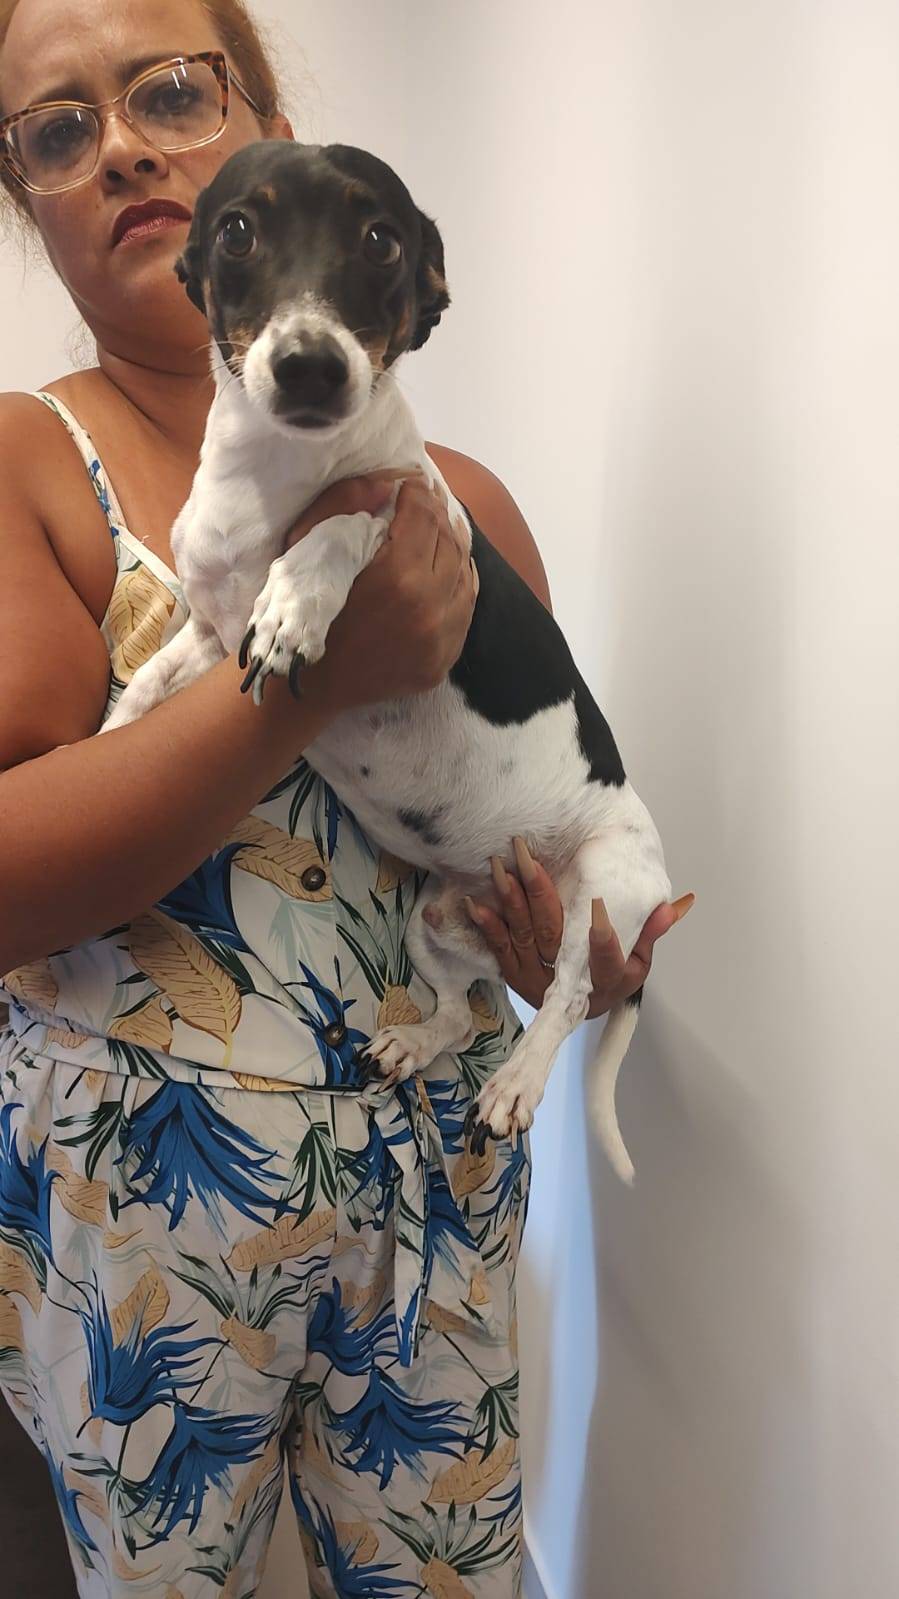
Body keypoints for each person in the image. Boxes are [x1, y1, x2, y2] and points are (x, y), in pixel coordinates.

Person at [0, 1, 689, 1594]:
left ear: (265, 122)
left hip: (436, 1189)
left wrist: (561, 954)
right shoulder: (34, 467)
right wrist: (307, 673)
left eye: (171, 90)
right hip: (154, 1214)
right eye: (59, 128)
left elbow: (520, 801)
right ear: (27, 195)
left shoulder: (461, 504)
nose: (124, 149)